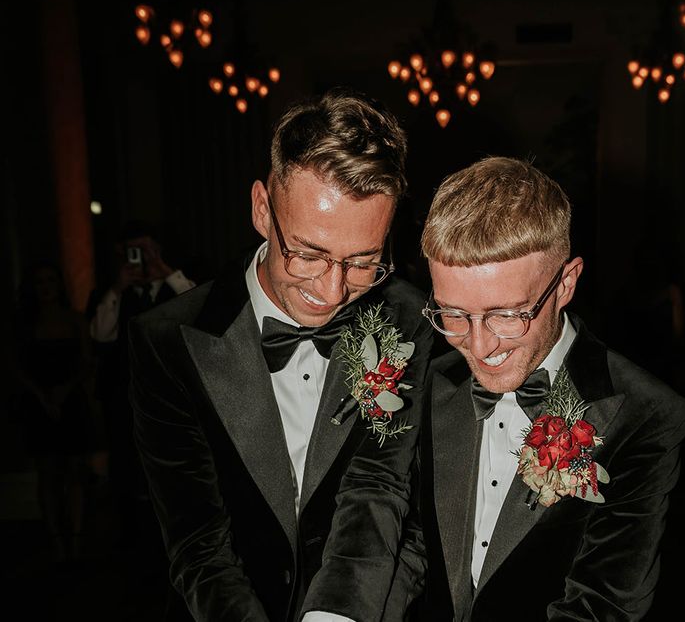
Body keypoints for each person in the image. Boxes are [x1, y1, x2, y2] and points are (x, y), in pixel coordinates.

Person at [129, 88, 432, 622]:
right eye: (309, 253)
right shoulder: (168, 341)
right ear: (262, 210)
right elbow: (196, 543)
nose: (335, 290)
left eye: (364, 262)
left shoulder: (408, 321)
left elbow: (385, 491)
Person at [384, 157, 685, 621]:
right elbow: (415, 544)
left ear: (565, 283)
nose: (480, 345)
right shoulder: (430, 382)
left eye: (507, 315)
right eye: (453, 314)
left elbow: (600, 606)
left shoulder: (645, 416)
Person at [89, 221, 196, 546]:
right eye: (131, 253)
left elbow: (205, 313)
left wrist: (164, 270)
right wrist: (118, 288)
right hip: (125, 400)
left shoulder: (177, 286)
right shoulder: (109, 293)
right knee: (127, 469)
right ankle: (133, 542)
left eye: (145, 251)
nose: (139, 259)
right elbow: (100, 334)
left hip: (173, 398)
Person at [11, 262, 94, 562]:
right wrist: (41, 396)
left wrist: (66, 389)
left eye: (50, 280)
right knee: (47, 473)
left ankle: (77, 538)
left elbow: (87, 360)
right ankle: (57, 542)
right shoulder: (25, 323)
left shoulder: (74, 320)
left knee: (75, 471)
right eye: (40, 281)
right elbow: (16, 366)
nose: (46, 286)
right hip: (38, 403)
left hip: (69, 400)